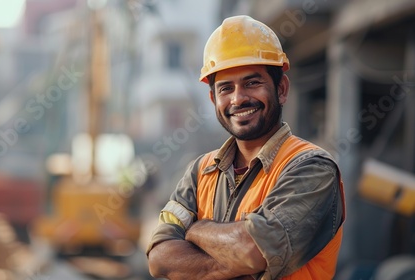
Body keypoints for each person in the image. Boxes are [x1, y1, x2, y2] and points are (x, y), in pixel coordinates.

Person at [146, 15, 346, 280]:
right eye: (226, 88)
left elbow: (254, 251)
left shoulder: (312, 169)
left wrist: (195, 229)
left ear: (282, 89)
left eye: (252, 83)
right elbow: (159, 259)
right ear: (213, 98)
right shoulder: (199, 172)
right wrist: (236, 264)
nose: (238, 99)